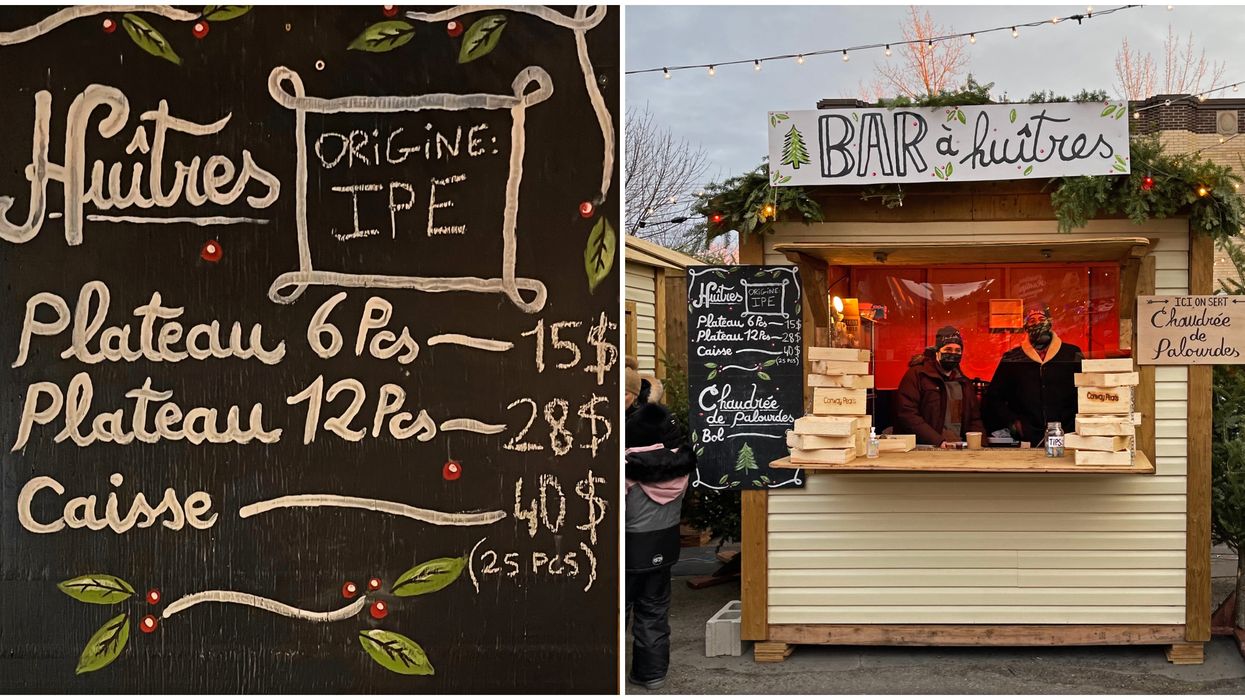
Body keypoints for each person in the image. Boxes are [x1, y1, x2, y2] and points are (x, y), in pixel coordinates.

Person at [624, 372, 695, 691]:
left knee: (615, 612)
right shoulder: (678, 465)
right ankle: (650, 674)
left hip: (627, 547)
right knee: (654, 609)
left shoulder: (627, 469)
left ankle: (604, 671)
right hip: (664, 546)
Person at [983, 304, 1084, 445]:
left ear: (1050, 322)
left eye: (1042, 319)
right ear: (1025, 326)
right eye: (1032, 321)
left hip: (1067, 434)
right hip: (1028, 439)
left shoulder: (1071, 354)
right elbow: (994, 398)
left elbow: (1085, 391)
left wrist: (1076, 424)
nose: (1037, 324)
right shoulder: (1013, 358)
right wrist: (1014, 424)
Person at [895, 325, 984, 447]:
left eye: (957, 350)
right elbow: (907, 414)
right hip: (923, 448)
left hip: (957, 448)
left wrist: (981, 445)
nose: (953, 354)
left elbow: (974, 419)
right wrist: (938, 441)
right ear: (937, 352)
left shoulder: (963, 383)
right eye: (948, 349)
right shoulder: (917, 375)